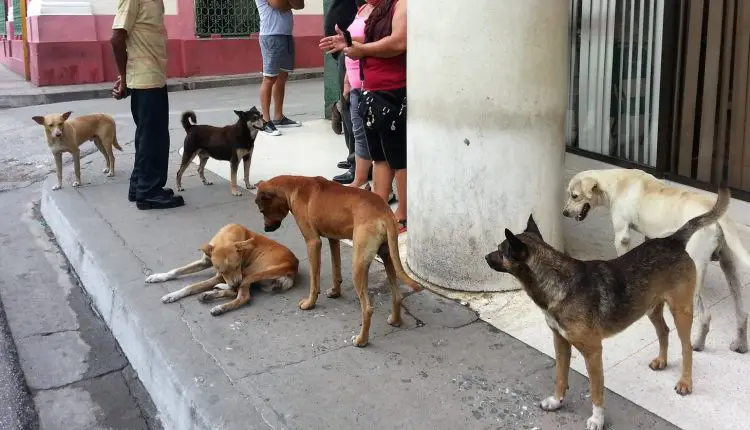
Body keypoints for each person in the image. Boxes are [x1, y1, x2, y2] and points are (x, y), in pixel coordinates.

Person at [320, 0, 407, 232]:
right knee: (379, 156)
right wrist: (347, 41)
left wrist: (362, 50)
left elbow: (399, 42)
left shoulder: (401, 5)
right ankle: (378, 207)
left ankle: (404, 213)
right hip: (372, 89)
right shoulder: (374, 8)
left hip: (393, 91)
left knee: (398, 158)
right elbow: (371, 40)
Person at [111, 0, 184, 210]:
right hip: (145, 79)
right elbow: (117, 38)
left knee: (147, 137)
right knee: (154, 139)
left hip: (153, 77)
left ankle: (139, 186)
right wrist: (124, 78)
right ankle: (149, 193)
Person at [256, 0, 305, 136]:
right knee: (269, 77)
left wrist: (289, 3)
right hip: (270, 36)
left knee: (282, 77)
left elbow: (300, 5)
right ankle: (265, 121)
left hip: (286, 34)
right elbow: (280, 5)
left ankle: (279, 117)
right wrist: (290, 4)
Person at [325, 0, 361, 183]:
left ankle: (358, 163)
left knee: (351, 107)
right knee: (347, 106)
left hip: (351, 47)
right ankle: (352, 157)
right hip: (342, 46)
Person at [340, 1, 374, 189]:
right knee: (359, 134)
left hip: (370, 84)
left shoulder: (386, 9)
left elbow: (377, 42)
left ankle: (380, 186)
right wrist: (346, 80)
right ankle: (360, 180)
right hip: (354, 85)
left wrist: (350, 43)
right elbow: (350, 49)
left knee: (375, 138)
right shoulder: (362, 8)